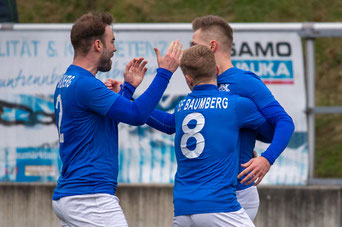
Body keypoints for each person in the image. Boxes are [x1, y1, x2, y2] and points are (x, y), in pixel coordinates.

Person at [52, 12, 182, 227]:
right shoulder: (86, 85)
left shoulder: (69, 80)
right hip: (89, 197)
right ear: (97, 45)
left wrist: (128, 89)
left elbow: (111, 119)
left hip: (73, 195)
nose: (114, 48)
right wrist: (165, 73)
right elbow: (136, 115)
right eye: (111, 42)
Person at [140, 45, 274, 226]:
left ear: (188, 79)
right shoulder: (237, 104)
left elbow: (166, 123)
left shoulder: (181, 108)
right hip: (219, 207)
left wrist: (128, 99)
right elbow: (269, 133)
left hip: (182, 210)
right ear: (217, 70)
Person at [190, 15, 295, 220]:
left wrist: (266, 159)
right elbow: (172, 123)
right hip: (205, 193)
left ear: (212, 46)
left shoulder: (243, 81)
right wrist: (129, 102)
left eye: (194, 45)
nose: (190, 50)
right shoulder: (202, 82)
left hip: (237, 193)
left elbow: (284, 122)